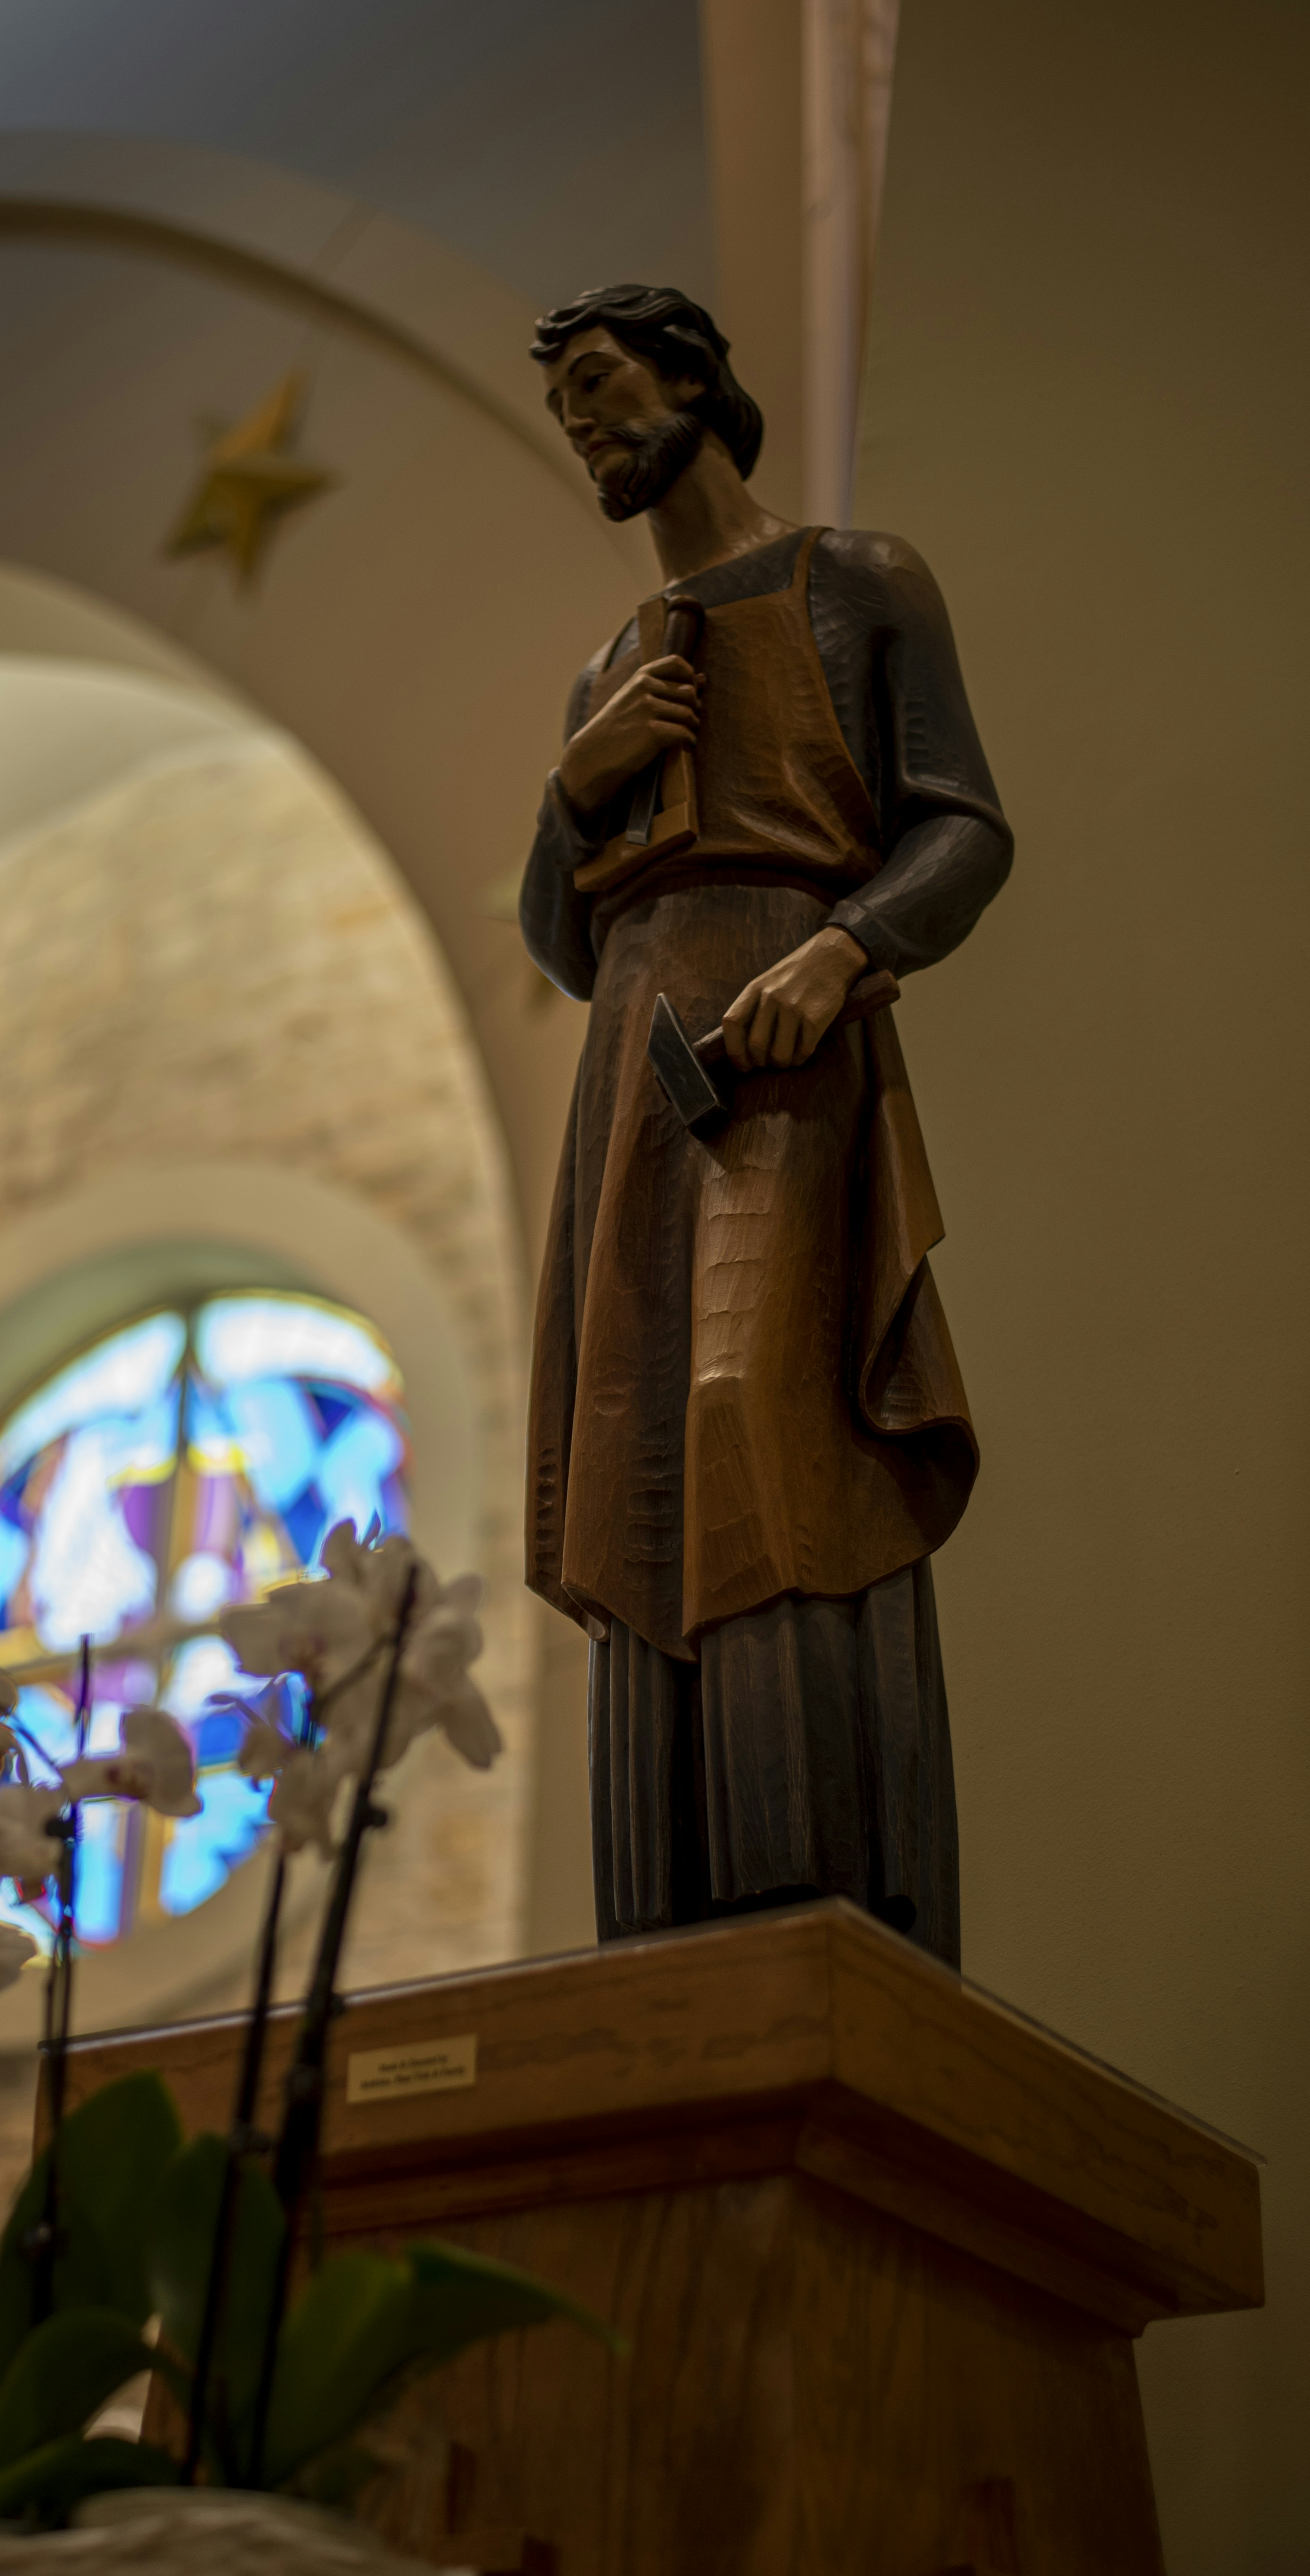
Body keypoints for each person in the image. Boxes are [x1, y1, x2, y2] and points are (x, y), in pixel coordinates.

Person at [522, 283, 1012, 1965]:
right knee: (631, 1444)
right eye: (563, 409)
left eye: (598, 386)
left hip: (780, 1042)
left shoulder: (856, 581)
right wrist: (572, 786)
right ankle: (662, 1916)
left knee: (768, 1410)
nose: (584, 425)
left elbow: (960, 827)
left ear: (692, 379)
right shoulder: (607, 667)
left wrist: (846, 943)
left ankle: (823, 1886)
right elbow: (562, 937)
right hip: (633, 1085)